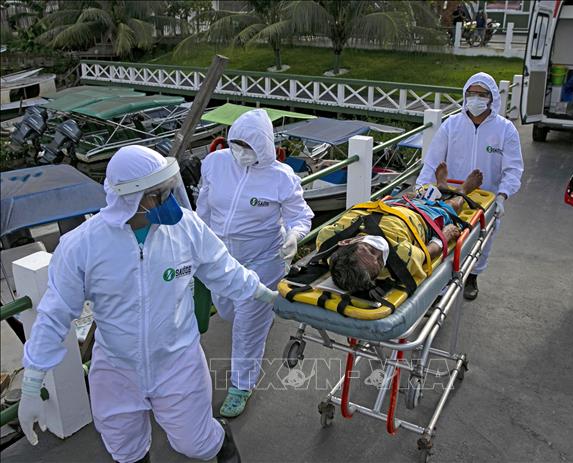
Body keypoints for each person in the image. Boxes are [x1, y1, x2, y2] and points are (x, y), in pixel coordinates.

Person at [18, 145, 279, 463]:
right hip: (116, 368)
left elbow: (224, 270)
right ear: (129, 198)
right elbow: (55, 313)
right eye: (158, 194)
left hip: (178, 362)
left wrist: (264, 294)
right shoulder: (82, 246)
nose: (169, 200)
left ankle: (221, 445)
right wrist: (32, 381)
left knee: (196, 443)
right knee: (125, 449)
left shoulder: (186, 227)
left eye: (169, 189)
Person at [197, 109, 313, 417]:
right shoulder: (215, 164)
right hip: (221, 258)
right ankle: (263, 315)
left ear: (263, 146)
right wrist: (197, 241)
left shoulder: (281, 177)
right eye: (236, 144)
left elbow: (301, 217)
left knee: (247, 328)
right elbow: (204, 207)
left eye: (247, 147)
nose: (240, 152)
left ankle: (241, 386)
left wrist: (294, 237)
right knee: (227, 311)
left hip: (262, 261)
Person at [416, 72, 524, 300]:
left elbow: (513, 168)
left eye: (482, 94)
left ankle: (472, 276)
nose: (476, 99)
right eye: (471, 93)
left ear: (492, 97)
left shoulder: (505, 130)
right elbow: (432, 161)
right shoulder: (451, 125)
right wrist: (422, 188)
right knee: (446, 237)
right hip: (451, 197)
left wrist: (503, 196)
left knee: (481, 243)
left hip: (485, 199)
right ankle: (441, 283)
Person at [320, 165, 483, 293]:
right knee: (451, 206)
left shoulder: (329, 238)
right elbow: (428, 252)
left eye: (370, 249)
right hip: (422, 218)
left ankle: (440, 187)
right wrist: (444, 236)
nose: (380, 251)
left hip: (390, 206)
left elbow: (324, 239)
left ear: (347, 241)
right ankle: (463, 190)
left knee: (418, 195)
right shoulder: (401, 258)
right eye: (379, 262)